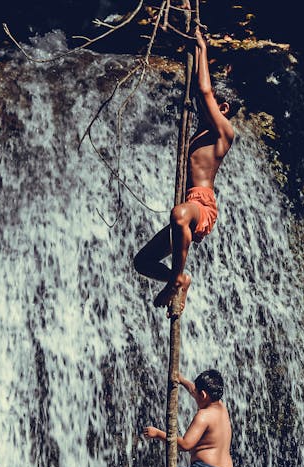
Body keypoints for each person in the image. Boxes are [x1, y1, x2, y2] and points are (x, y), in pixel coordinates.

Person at [133, 26, 237, 310]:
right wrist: (198, 50)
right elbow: (200, 89)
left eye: (214, 103)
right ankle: (178, 279)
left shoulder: (224, 133)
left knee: (179, 214)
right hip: (188, 207)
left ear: (223, 108)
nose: (206, 105)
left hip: (200, 206)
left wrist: (202, 46)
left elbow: (204, 90)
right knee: (142, 261)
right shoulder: (204, 130)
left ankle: (177, 278)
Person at [143, 369, 234, 467]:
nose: (194, 395)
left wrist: (158, 434)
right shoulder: (222, 408)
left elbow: (185, 445)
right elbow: (194, 390)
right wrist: (182, 380)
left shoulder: (203, 416)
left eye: (197, 394)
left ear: (203, 395)